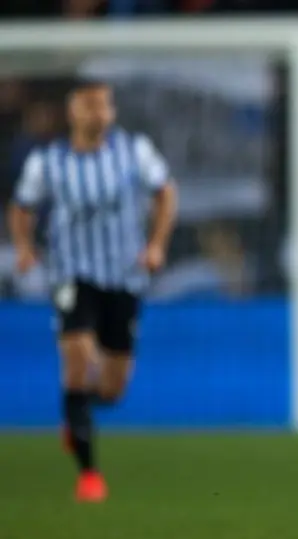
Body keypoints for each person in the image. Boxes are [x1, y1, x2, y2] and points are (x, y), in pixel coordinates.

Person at [7, 80, 178, 503]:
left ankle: (75, 412)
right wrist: (26, 247)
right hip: (72, 273)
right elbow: (21, 206)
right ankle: (89, 476)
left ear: (112, 111)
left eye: (103, 105)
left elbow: (166, 192)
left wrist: (156, 244)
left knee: (113, 388)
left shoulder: (134, 151)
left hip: (124, 276)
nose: (97, 112)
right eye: (88, 105)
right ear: (72, 112)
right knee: (80, 358)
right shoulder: (48, 161)